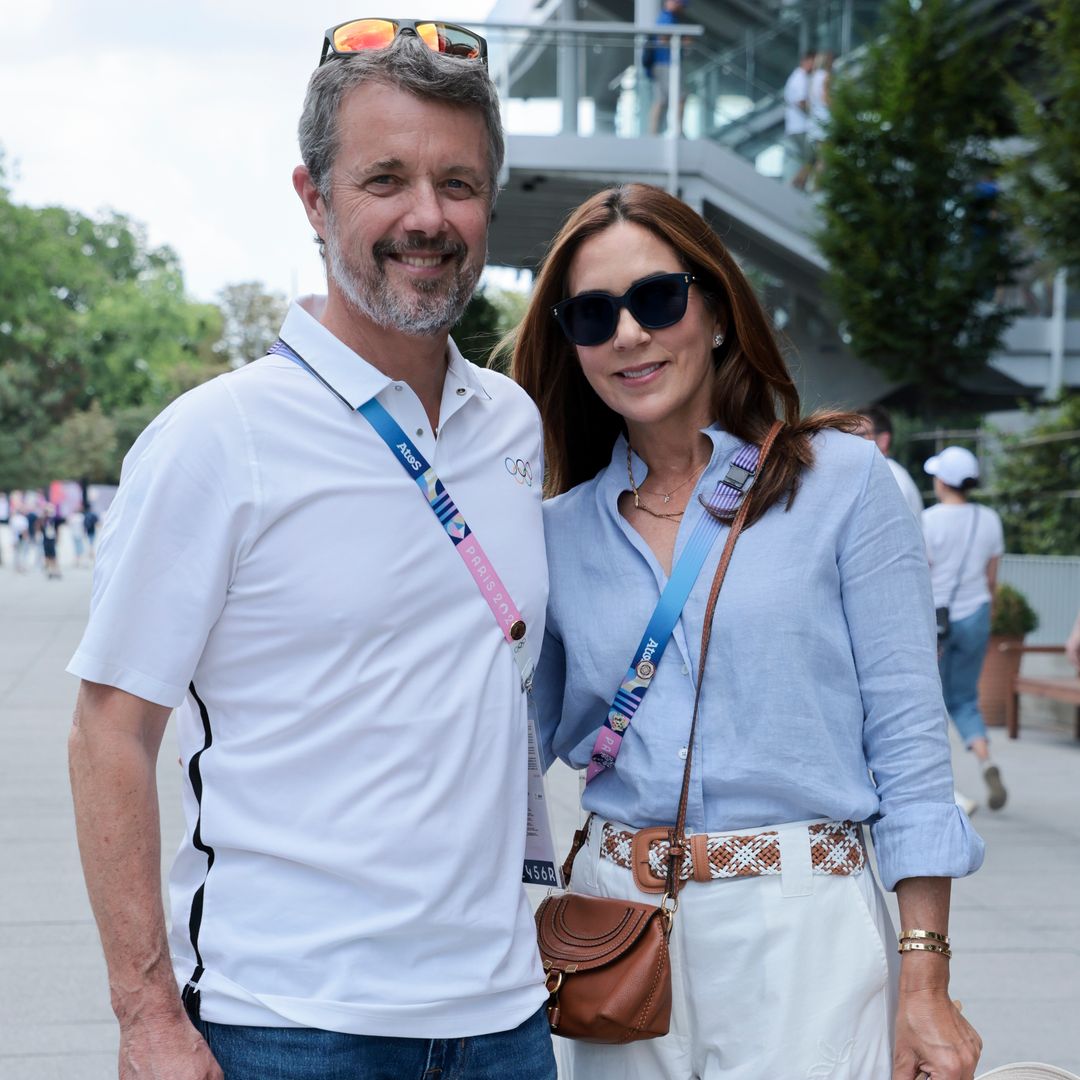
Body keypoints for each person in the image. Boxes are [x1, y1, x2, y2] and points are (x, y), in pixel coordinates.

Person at [67, 24, 555, 1080]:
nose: (427, 217)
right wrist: (147, 1014)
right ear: (314, 198)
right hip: (286, 1021)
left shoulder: (513, 426)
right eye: (386, 178)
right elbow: (109, 731)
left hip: (507, 1020)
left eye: (458, 183)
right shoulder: (217, 440)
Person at [512, 183, 984, 1079]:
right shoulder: (554, 532)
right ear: (571, 343)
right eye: (594, 314)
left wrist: (926, 978)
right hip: (614, 926)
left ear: (718, 313)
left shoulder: (845, 485)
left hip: (804, 926)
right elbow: (503, 749)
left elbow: (913, 748)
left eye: (657, 298)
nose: (630, 333)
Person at [922, 446, 1008, 812]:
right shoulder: (989, 519)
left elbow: (920, 575)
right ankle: (986, 761)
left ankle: (945, 785)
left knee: (930, 702)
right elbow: (992, 580)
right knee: (964, 698)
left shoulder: (927, 519)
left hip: (935, 620)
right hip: (975, 615)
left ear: (943, 481)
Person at [857, 404, 925, 518]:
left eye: (860, 434)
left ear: (883, 440)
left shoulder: (889, 477)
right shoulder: (885, 473)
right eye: (848, 434)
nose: (852, 440)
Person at [647, 0, 688, 136]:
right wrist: (683, 41)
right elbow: (663, 40)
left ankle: (654, 133)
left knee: (661, 100)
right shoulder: (667, 17)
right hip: (667, 64)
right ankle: (678, 131)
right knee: (680, 98)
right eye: (678, 3)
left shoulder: (668, 17)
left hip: (662, 64)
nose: (680, 7)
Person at [782, 50, 815, 189]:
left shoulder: (796, 77)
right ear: (806, 61)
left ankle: (799, 182)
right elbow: (801, 102)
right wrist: (816, 112)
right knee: (812, 157)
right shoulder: (800, 78)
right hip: (800, 127)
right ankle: (797, 183)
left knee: (809, 158)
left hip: (795, 126)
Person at [806, 49, 833, 189]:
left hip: (814, 122)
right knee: (824, 159)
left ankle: (813, 186)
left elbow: (810, 102)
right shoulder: (826, 76)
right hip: (824, 121)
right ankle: (816, 187)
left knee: (818, 158)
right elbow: (826, 99)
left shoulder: (813, 77)